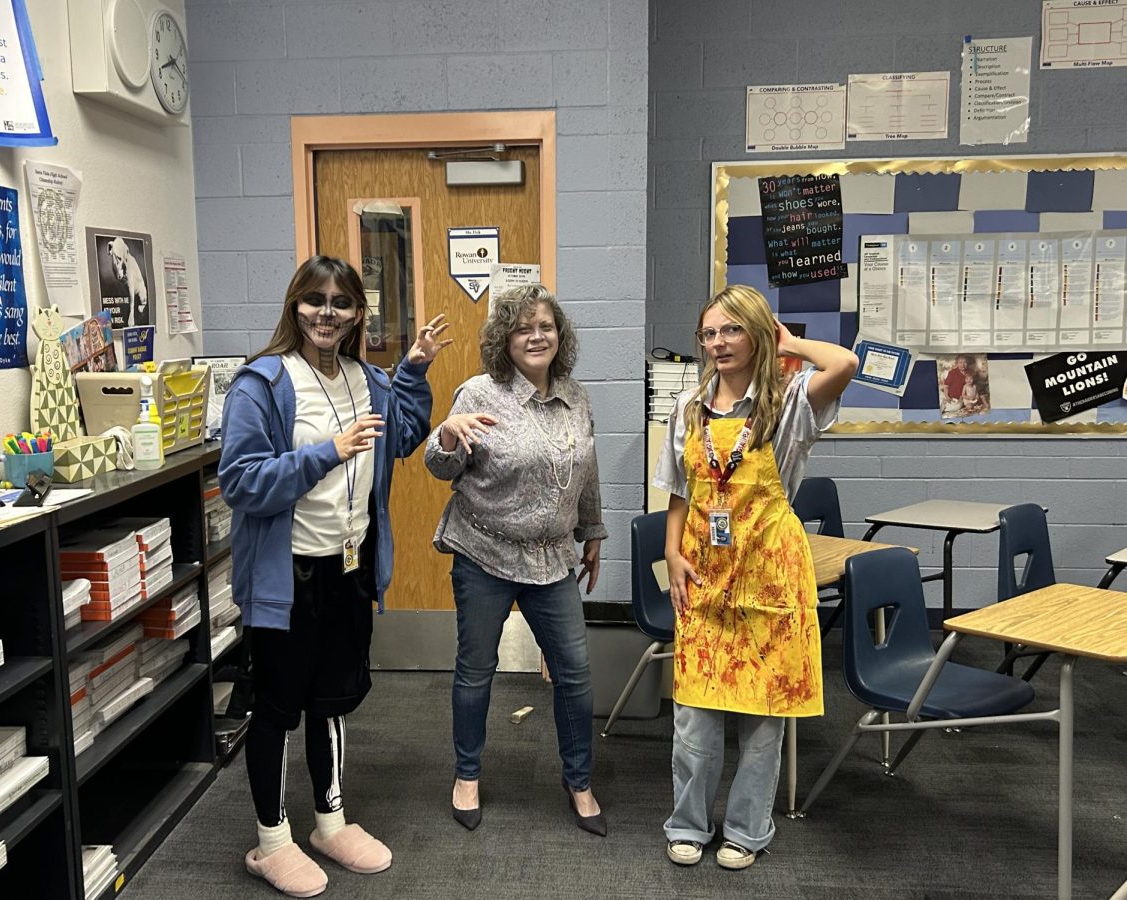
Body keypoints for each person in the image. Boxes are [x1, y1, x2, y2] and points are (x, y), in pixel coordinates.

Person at [219, 255, 452, 898]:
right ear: (295, 306)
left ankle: (329, 820)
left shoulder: (364, 379)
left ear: (357, 313)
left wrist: (413, 371)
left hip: (347, 571)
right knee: (276, 708)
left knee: (332, 703)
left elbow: (402, 436)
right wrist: (328, 451)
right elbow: (239, 482)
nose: (328, 313)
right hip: (285, 578)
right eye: (315, 301)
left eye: (342, 303)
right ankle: (271, 842)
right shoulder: (262, 384)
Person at [652, 284, 857, 871]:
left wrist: (788, 341)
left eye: (732, 329)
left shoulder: (789, 402)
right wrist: (672, 552)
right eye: (709, 333)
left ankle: (746, 829)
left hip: (769, 578)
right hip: (704, 574)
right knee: (694, 713)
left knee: (763, 717)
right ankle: (688, 823)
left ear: (756, 333)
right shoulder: (688, 411)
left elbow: (844, 363)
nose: (718, 342)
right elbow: (677, 491)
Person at [423, 284, 609, 837]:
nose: (536, 335)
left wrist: (593, 530)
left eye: (546, 326)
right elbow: (440, 467)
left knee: (574, 676)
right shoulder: (479, 393)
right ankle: (467, 776)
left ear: (560, 335)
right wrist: (448, 437)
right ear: (505, 338)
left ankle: (579, 782)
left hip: (553, 559)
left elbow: (588, 469)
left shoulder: (576, 396)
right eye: (524, 327)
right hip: (484, 551)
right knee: (477, 670)